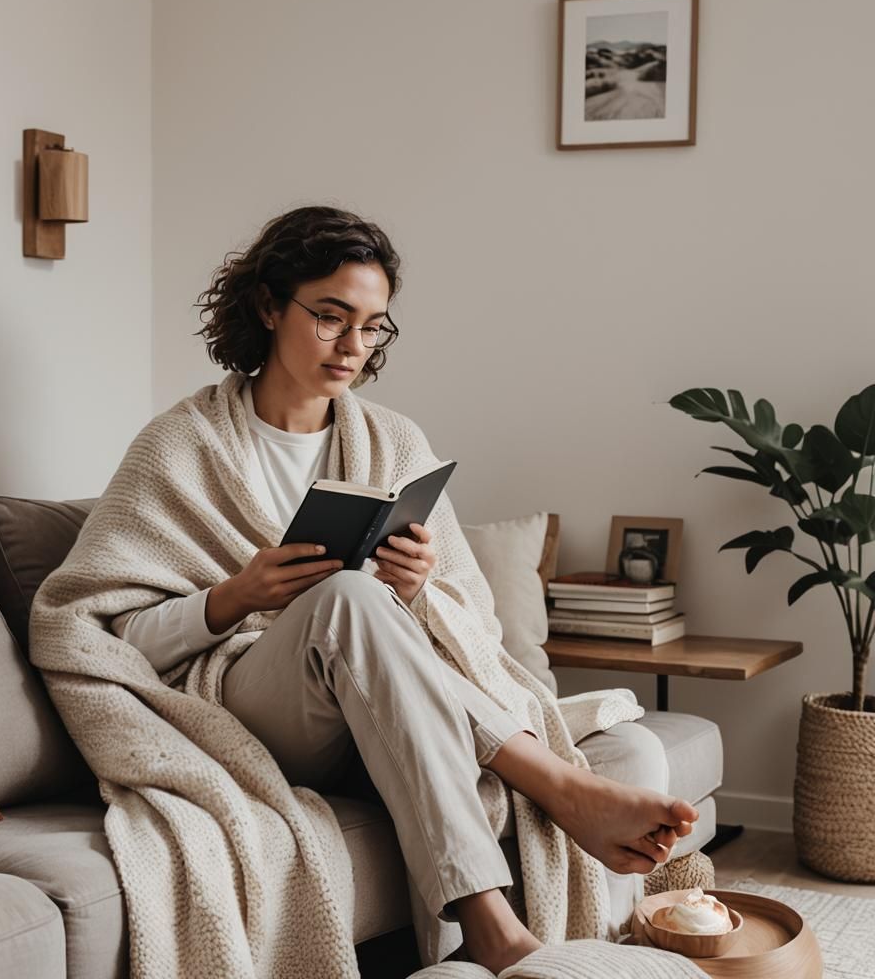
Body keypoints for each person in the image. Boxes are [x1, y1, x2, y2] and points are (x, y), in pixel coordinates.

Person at [109, 204, 698, 973]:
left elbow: (473, 629)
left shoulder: (393, 441)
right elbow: (102, 634)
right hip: (251, 707)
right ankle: (512, 880)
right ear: (266, 305)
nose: (353, 346)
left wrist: (421, 592)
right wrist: (235, 597)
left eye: (373, 326)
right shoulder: (178, 447)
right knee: (347, 600)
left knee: (368, 604)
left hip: (381, 700)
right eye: (330, 317)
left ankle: (527, 858)